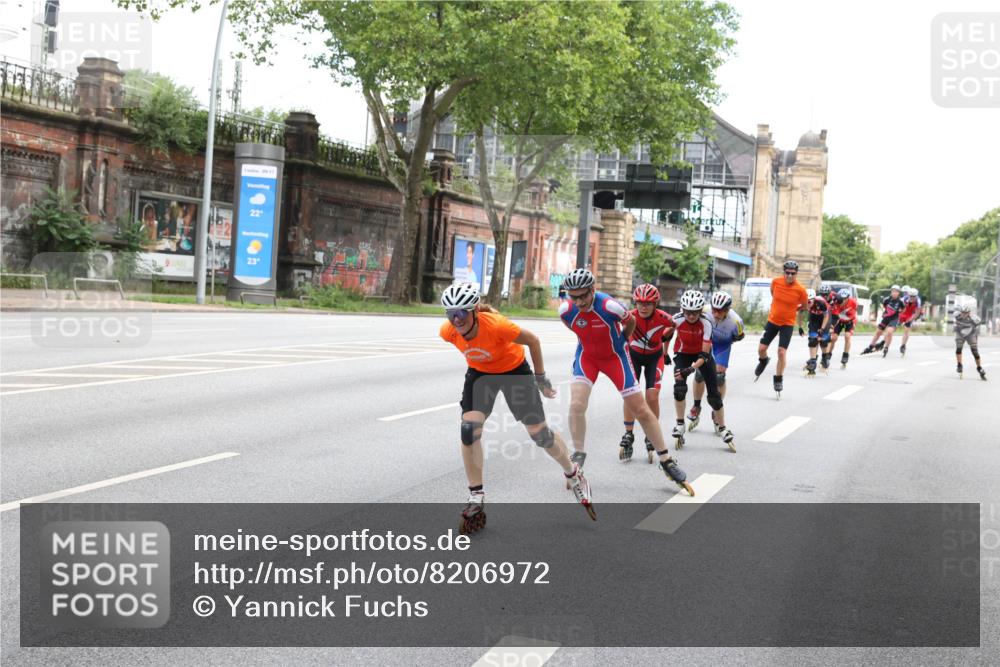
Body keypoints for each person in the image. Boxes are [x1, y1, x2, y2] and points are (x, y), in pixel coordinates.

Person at [440, 282, 594, 534]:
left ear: (475, 310)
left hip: (515, 372)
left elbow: (533, 341)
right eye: (450, 314)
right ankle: (476, 496)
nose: (456, 320)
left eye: (461, 313)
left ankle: (573, 472)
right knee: (468, 431)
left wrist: (541, 378)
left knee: (540, 435)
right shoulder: (448, 331)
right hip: (480, 374)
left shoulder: (498, 325)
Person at [559, 268, 694, 496]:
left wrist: (621, 340)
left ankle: (666, 460)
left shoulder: (609, 306)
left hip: (615, 357)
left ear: (593, 290)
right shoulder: (565, 311)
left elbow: (630, 321)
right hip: (588, 357)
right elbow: (577, 329)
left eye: (584, 295)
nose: (579, 301)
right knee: (576, 405)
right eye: (575, 296)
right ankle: (579, 456)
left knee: (640, 409)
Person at [671, 290, 736, 451]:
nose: (691, 316)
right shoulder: (676, 319)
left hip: (702, 354)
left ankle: (722, 428)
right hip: (683, 353)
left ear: (700, 311)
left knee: (714, 395)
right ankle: (680, 424)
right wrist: (664, 353)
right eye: (687, 312)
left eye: (694, 313)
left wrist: (691, 369)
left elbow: (705, 354)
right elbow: (665, 335)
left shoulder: (707, 322)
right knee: (679, 389)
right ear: (682, 309)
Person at [619, 283, 675, 462]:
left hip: (654, 358)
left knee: (652, 396)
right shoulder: (629, 316)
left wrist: (665, 341)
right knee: (630, 395)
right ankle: (629, 434)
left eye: (648, 303)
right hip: (633, 357)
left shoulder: (663, 317)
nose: (643, 307)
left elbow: (673, 326)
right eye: (639, 302)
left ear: (655, 304)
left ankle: (651, 433)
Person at [689, 290, 743, 450]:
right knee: (700, 374)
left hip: (723, 345)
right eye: (714, 309)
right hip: (707, 341)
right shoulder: (704, 311)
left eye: (720, 311)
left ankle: (716, 408)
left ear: (727, 310)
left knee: (719, 376)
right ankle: (696, 406)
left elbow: (739, 337)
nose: (715, 313)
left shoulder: (736, 321)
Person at [753, 260, 809, 397]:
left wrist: (796, 310)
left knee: (781, 352)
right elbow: (773, 294)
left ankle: (778, 378)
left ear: (796, 274)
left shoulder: (801, 290)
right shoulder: (776, 282)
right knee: (761, 349)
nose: (790, 276)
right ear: (784, 272)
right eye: (787, 273)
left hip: (787, 324)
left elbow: (805, 306)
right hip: (773, 321)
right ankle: (764, 360)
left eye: (793, 274)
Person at [861, 285, 906, 357]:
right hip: (886, 317)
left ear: (898, 293)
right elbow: (885, 306)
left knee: (889, 332)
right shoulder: (886, 299)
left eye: (896, 292)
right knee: (878, 332)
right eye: (893, 291)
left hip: (894, 319)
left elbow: (903, 309)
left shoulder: (900, 301)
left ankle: (886, 347)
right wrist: (887, 313)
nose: (894, 293)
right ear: (891, 292)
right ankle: (871, 346)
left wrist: (898, 313)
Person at [954, 303, 987, 380]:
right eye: (962, 312)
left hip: (971, 334)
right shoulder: (956, 315)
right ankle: (959, 365)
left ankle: (979, 367)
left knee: (975, 352)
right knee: (959, 348)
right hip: (960, 333)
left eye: (965, 313)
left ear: (969, 313)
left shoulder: (974, 318)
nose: (963, 314)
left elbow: (978, 324)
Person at [802, 287, 831, 376]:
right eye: (806, 302)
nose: (808, 304)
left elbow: (826, 316)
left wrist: (822, 329)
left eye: (809, 302)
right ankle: (813, 362)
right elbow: (800, 313)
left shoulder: (821, 302)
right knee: (812, 340)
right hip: (814, 318)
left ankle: (825, 357)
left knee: (823, 341)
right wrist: (800, 327)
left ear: (814, 299)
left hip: (824, 318)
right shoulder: (804, 303)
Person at [828, 287, 858, 368]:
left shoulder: (853, 302)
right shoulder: (837, 302)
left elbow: (855, 314)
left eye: (845, 299)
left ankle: (845, 355)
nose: (843, 301)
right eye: (842, 298)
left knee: (847, 336)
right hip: (839, 321)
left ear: (848, 298)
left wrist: (853, 323)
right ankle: (828, 354)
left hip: (850, 321)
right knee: (833, 338)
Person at [898, 287, 922, 355]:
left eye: (914, 296)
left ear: (916, 296)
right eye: (911, 296)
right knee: (893, 327)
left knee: (906, 330)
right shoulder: (904, 299)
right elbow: (897, 307)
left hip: (910, 315)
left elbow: (917, 313)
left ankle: (903, 345)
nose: (912, 298)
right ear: (908, 295)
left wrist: (910, 320)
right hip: (903, 313)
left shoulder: (918, 301)